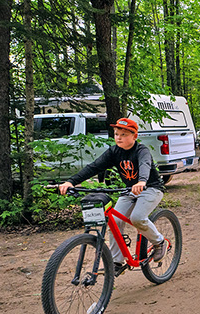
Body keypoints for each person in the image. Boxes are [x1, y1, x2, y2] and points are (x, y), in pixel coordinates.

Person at [58, 118, 166, 275]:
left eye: (124, 134)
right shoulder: (113, 152)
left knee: (137, 218)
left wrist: (142, 181)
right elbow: (93, 167)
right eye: (116, 134)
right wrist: (71, 182)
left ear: (135, 136)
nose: (119, 137)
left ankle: (159, 242)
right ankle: (117, 262)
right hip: (130, 190)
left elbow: (145, 165)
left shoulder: (141, 151)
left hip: (150, 188)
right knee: (114, 220)